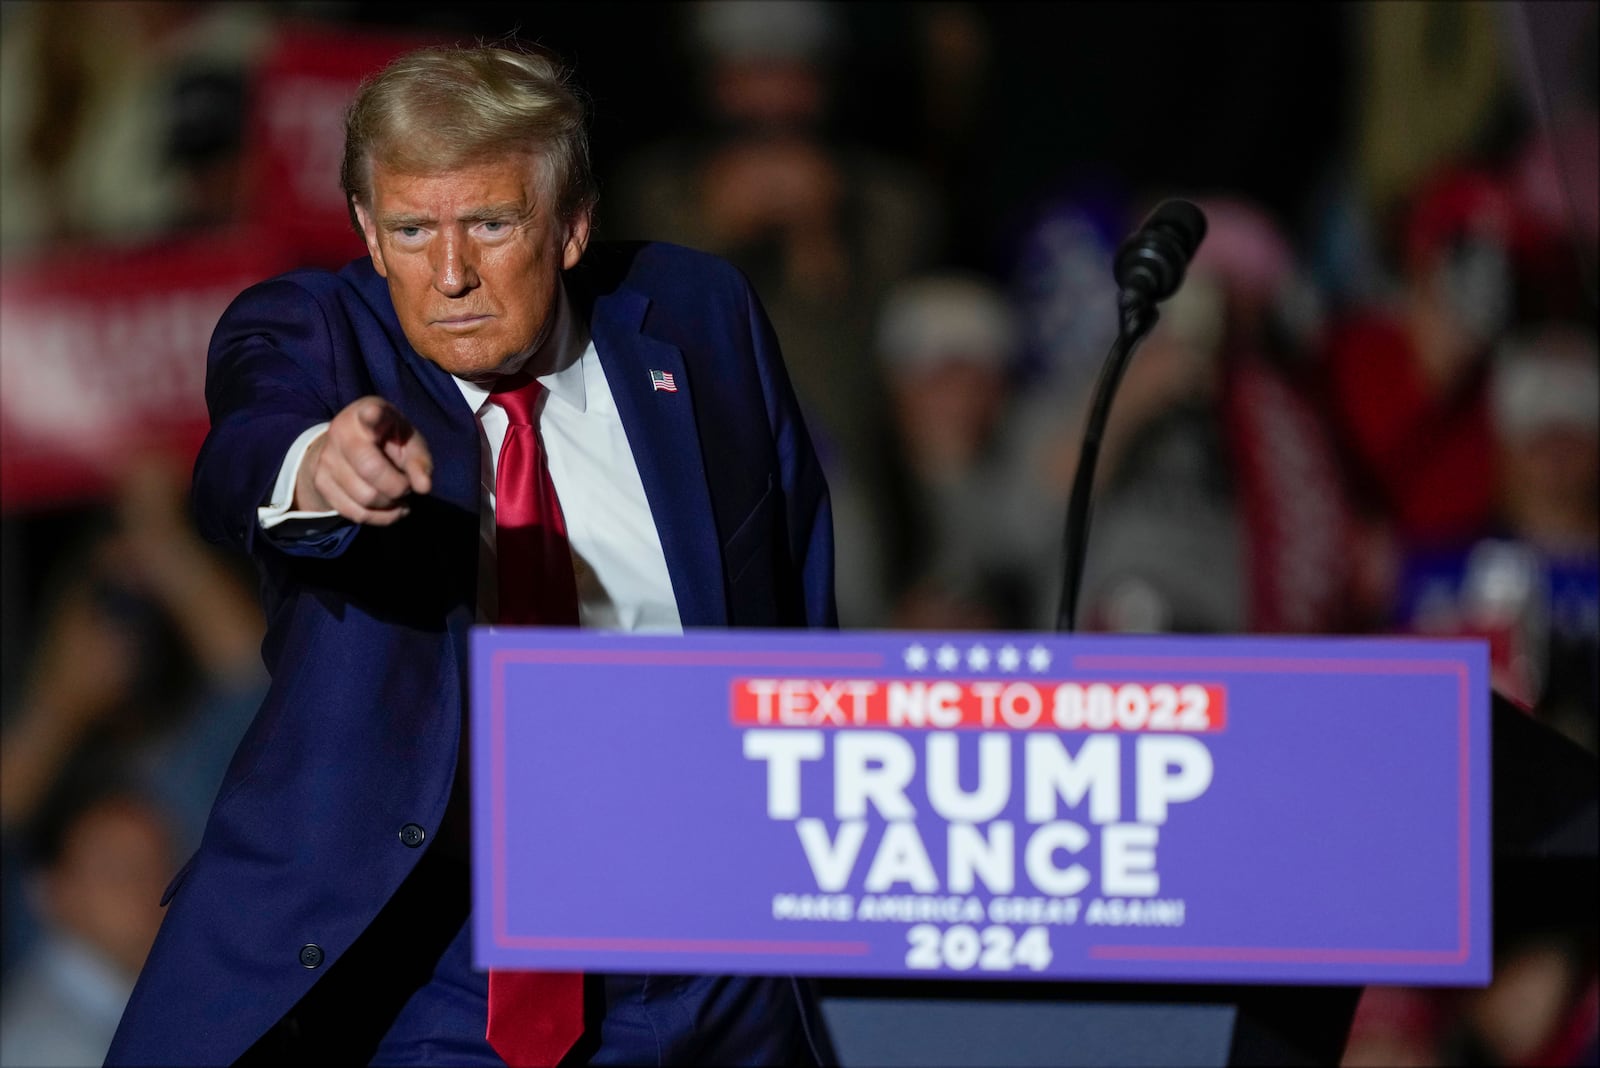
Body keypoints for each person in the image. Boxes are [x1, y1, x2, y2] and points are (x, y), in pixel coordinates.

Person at [105, 43, 836, 1067]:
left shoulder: (699, 314)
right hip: (450, 967)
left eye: (490, 224)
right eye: (409, 230)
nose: (448, 275)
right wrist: (320, 465)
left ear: (573, 223)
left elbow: (796, 586)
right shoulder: (317, 332)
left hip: (718, 946)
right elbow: (247, 443)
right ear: (367, 227)